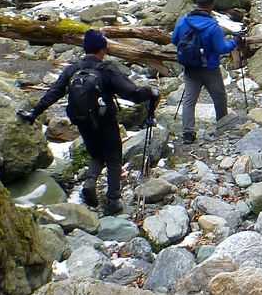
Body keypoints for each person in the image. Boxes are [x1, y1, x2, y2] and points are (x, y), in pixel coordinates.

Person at [17, 29, 158, 215]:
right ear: (103, 49)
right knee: (113, 156)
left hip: (82, 120)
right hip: (105, 119)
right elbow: (132, 94)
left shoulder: (73, 69)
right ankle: (113, 200)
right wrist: (150, 93)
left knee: (96, 154)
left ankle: (90, 182)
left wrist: (34, 113)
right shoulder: (106, 69)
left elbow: (53, 93)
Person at [171, 0, 239, 143]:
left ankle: (188, 133)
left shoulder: (183, 21)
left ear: (197, 4)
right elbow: (221, 48)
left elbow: (174, 40)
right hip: (210, 68)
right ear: (211, 5)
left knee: (189, 100)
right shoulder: (213, 26)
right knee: (219, 97)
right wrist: (235, 42)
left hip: (190, 67)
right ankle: (222, 124)